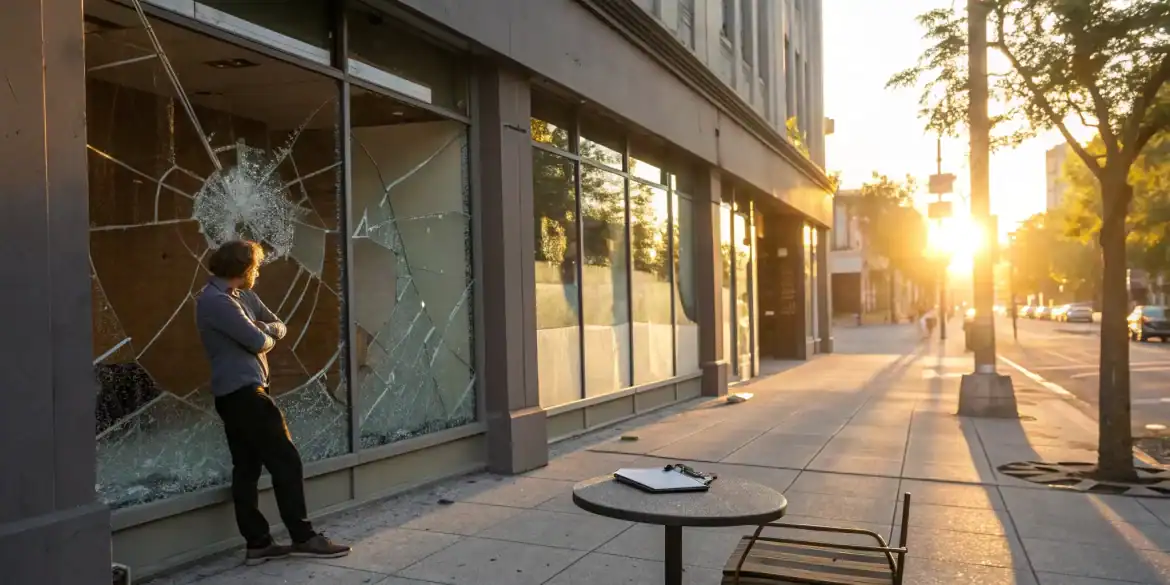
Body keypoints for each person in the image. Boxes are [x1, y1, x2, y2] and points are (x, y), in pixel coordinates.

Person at [195, 240, 350, 565]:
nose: (258, 272)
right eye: (256, 266)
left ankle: (259, 544)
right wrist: (265, 333)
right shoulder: (217, 301)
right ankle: (303, 536)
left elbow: (278, 325)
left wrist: (265, 330)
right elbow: (258, 340)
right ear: (243, 268)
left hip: (247, 391)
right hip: (242, 394)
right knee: (286, 459)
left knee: (248, 467)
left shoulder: (243, 297)